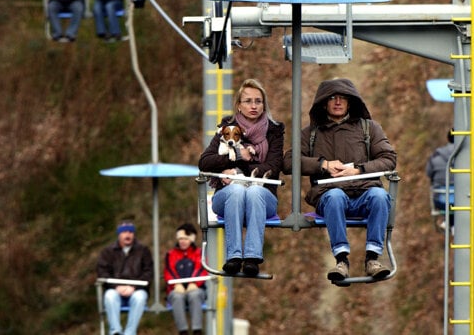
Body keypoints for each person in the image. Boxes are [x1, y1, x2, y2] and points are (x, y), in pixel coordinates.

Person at [283, 78, 397, 282]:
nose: (337, 102)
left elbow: (389, 159)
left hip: (365, 193)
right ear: (324, 103)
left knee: (380, 196)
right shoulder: (311, 134)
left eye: (343, 98)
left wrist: (359, 169)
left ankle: (373, 258)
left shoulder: (369, 128)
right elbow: (288, 162)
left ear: (350, 102)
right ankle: (341, 260)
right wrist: (322, 165)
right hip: (329, 195)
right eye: (332, 98)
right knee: (335, 197)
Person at [198, 79, 284, 277]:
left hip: (262, 195)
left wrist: (240, 173)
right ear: (239, 105)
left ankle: (252, 258)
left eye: (258, 101)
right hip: (228, 195)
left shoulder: (274, 131)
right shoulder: (227, 129)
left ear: (264, 105)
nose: (253, 106)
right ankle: (234, 257)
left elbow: (274, 165)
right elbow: (205, 162)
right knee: (236, 191)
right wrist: (236, 157)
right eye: (248, 101)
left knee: (253, 191)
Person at [96, 220, 153, 335]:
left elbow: (148, 272)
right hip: (115, 290)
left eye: (130, 232)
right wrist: (116, 286)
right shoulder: (108, 252)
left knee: (140, 297)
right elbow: (102, 272)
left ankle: (129, 333)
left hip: (137, 290)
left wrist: (134, 286)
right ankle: (115, 331)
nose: (128, 235)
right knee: (109, 296)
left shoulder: (143, 250)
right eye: (125, 232)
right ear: (119, 234)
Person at [164, 223, 207, 335]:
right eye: (180, 238)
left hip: (196, 288)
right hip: (176, 289)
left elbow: (201, 269)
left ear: (191, 239)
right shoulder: (171, 254)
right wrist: (176, 285)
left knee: (195, 295)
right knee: (177, 297)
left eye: (185, 239)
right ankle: (183, 331)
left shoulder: (199, 253)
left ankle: (197, 330)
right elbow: (169, 271)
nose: (182, 241)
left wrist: (194, 283)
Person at [425, 129, 455, 229]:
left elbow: (429, 173)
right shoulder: (467, 157)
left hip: (441, 200)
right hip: (462, 199)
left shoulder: (436, 157)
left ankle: (449, 222)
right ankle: (452, 223)